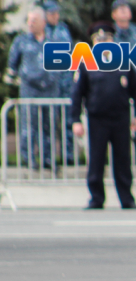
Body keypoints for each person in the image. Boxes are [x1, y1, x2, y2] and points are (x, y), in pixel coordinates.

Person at [71, 23, 136, 210]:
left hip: (120, 119)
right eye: (99, 40)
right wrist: (75, 120)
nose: (103, 43)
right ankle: (96, 198)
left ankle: (127, 199)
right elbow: (77, 94)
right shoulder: (86, 64)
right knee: (96, 160)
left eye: (107, 39)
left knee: (122, 161)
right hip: (97, 119)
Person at [7, 8, 59, 169]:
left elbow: (61, 67)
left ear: (43, 22)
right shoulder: (21, 41)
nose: (30, 23)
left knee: (49, 127)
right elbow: (12, 66)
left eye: (34, 20)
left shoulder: (53, 42)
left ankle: (48, 159)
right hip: (29, 90)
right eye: (29, 20)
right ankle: (28, 159)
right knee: (29, 127)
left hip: (50, 90)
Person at [112, 0, 136, 165]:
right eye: (121, 9)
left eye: (127, 9)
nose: (125, 12)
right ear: (114, 14)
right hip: (119, 78)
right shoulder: (110, 33)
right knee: (120, 116)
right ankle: (121, 156)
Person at [44, 1, 75, 164]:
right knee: (48, 123)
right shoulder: (42, 32)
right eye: (51, 14)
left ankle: (68, 154)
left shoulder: (63, 29)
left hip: (66, 81)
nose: (55, 16)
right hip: (49, 83)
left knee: (68, 120)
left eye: (57, 13)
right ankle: (48, 156)